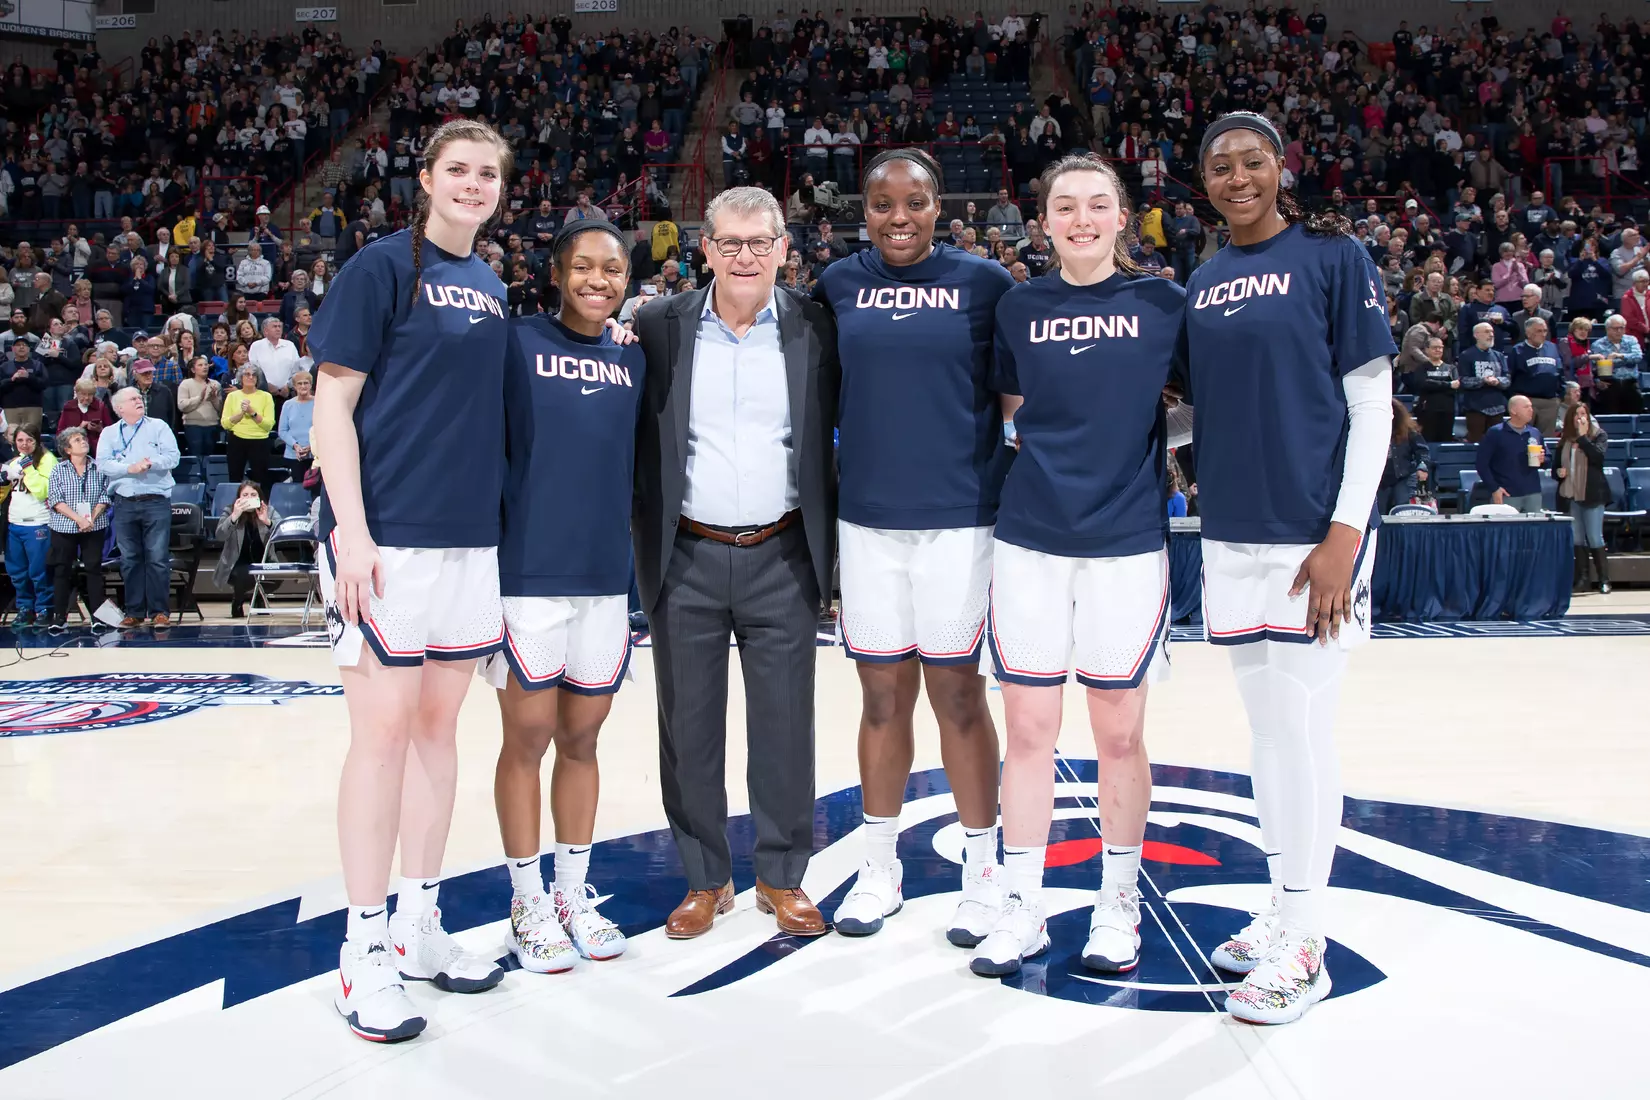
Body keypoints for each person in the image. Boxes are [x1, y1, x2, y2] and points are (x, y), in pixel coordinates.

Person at [1177, 113, 1396, 1025]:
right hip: (1230, 532)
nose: (1237, 178)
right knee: (1267, 731)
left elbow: (1373, 406)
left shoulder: (1335, 259)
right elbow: (1198, 416)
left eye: (1252, 162)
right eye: (1220, 167)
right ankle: (1283, 903)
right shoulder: (1202, 281)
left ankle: (1305, 941)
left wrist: (1345, 533)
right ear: (1204, 182)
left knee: (1304, 726)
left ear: (1281, 167)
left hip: (1317, 539)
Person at [310, 119, 512, 1044]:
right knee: (382, 737)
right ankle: (361, 952)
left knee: (438, 731)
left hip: (469, 544)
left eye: (487, 174)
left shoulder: (493, 284)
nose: (473, 185)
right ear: (426, 179)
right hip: (386, 538)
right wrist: (352, 534)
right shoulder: (383, 267)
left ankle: (421, 926)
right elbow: (332, 409)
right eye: (458, 170)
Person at [968, 153, 1189, 978]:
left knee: (1119, 733)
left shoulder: (1164, 302)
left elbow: (1205, 402)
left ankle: (1117, 902)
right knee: (1027, 731)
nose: (1083, 218)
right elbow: (1018, 414)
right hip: (1029, 538)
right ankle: (1022, 907)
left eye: (1099, 204)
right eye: (1066, 205)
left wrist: (1140, 452)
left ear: (1122, 216)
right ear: (1045, 219)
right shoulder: (1021, 306)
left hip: (1127, 545)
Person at [809, 149, 1013, 944]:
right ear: (864, 210)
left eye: (916, 203)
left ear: (939, 209)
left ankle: (983, 871)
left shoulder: (985, 285)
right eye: (884, 203)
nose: (899, 217)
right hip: (866, 524)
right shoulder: (837, 285)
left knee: (959, 695)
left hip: (962, 520)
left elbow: (1023, 397)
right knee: (881, 697)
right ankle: (878, 865)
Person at [632, 187, 841, 941]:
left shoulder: (819, 326)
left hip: (783, 551)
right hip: (685, 552)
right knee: (687, 727)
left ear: (785, 248)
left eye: (760, 243)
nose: (745, 256)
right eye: (730, 243)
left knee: (785, 726)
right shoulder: (658, 325)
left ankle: (781, 878)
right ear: (706, 250)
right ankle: (704, 879)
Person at [483, 221, 645, 974]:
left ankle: (574, 894)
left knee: (583, 740)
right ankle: (527, 902)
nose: (596, 280)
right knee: (529, 739)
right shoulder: (515, 344)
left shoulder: (633, 357)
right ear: (555, 271)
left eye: (611, 269)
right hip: (529, 576)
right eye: (582, 266)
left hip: (606, 577)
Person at [96, 386, 179, 627]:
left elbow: (173, 458)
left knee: (157, 558)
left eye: (139, 397)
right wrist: (128, 469)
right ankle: (133, 611)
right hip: (124, 503)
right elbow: (103, 464)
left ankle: (159, 612)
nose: (139, 400)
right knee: (130, 559)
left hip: (155, 501)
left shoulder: (158, 426)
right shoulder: (110, 433)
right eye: (133, 399)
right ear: (120, 408)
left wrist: (149, 464)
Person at [44, 425, 110, 627]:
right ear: (67, 449)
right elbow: (56, 500)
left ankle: (98, 618)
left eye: (83, 438)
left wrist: (90, 518)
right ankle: (59, 618)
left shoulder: (99, 467)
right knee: (62, 570)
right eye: (76, 440)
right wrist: (79, 519)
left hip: (94, 526)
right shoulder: (58, 469)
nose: (83, 441)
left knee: (93, 569)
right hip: (64, 527)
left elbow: (105, 495)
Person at [1552, 402, 1611, 594]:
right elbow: (1554, 470)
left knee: (1594, 536)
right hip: (1571, 495)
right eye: (1576, 414)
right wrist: (1558, 473)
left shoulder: (1598, 435)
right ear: (1571, 418)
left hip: (1593, 494)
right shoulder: (1564, 440)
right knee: (1577, 539)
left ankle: (1604, 580)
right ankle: (1583, 579)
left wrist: (1584, 437)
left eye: (1583, 413)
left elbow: (1597, 458)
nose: (1580, 417)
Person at [4, 425, 58, 624]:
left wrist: (28, 467)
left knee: (39, 571)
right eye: (20, 441)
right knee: (17, 572)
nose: (24, 445)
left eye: (29, 440)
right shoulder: (13, 463)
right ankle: (25, 608)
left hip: (38, 523)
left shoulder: (47, 460)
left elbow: (43, 491)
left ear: (37, 441)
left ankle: (44, 609)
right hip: (15, 523)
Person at [213, 479, 275, 617]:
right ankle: (238, 601)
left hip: (264, 561)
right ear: (238, 498)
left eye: (253, 495)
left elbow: (283, 532)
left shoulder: (268, 511)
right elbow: (220, 535)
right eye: (245, 495)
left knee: (270, 573)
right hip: (236, 564)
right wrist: (234, 516)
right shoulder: (230, 511)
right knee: (242, 573)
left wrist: (267, 521)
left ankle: (259, 597)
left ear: (259, 497)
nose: (249, 498)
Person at [1474, 395, 1546, 513]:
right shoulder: (1496, 433)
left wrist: (1543, 459)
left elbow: (1548, 459)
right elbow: (1481, 464)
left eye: (1531, 407)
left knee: (1533, 530)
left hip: (1533, 493)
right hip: (1507, 494)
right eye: (1526, 407)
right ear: (1513, 410)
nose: (1531, 410)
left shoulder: (1535, 432)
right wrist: (1494, 488)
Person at [1506, 316, 1565, 435]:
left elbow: (1560, 372)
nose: (1543, 334)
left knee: (1547, 440)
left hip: (1550, 402)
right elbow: (1509, 376)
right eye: (1539, 331)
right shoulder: (1517, 350)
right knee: (1524, 437)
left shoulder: (1552, 347)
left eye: (1545, 331)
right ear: (1528, 333)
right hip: (1527, 401)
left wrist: (1560, 395)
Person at [219, 365, 274, 491]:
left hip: (260, 441)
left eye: (254, 375)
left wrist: (252, 412)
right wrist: (240, 415)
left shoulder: (266, 396)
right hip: (237, 440)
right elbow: (225, 423)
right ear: (241, 378)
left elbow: (268, 425)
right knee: (235, 477)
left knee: (260, 479)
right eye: (247, 374)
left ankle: (260, 506)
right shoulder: (232, 396)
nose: (251, 377)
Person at [1458, 321, 1510, 441]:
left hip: (1497, 407)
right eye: (1487, 332)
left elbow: (1507, 379)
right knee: (1476, 443)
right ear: (1476, 335)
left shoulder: (1499, 356)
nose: (1491, 334)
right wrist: (1483, 381)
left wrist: (1497, 381)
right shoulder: (1466, 355)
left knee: (1497, 443)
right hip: (1476, 408)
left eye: (1492, 332)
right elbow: (1463, 381)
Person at [1379, 400, 1430, 513]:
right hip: (1379, 479)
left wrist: (1422, 467)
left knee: (1402, 510)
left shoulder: (1408, 431)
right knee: (1379, 512)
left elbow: (1422, 451)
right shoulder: (1372, 431)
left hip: (1403, 477)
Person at [177, 356, 223, 476]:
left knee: (209, 458)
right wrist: (199, 398)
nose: (204, 367)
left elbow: (220, 409)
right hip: (193, 426)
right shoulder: (186, 384)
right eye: (200, 365)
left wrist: (213, 399)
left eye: (206, 365)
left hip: (212, 426)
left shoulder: (215, 384)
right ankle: (196, 481)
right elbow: (182, 406)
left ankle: (209, 483)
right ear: (193, 369)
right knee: (196, 457)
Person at [1590, 314, 1644, 415]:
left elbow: (1638, 357)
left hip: (1630, 383)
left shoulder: (1631, 340)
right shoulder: (1598, 345)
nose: (1619, 331)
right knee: (1610, 415)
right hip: (1610, 385)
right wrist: (1597, 382)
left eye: (1622, 328)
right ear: (1607, 329)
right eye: (1615, 328)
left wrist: (1619, 356)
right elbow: (1593, 367)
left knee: (1636, 414)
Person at [1410, 334, 1459, 443]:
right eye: (1434, 347)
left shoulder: (1451, 368)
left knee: (1446, 440)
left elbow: (1456, 385)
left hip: (1447, 411)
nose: (1438, 350)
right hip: (1427, 411)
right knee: (1427, 440)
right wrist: (1447, 385)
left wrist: (1435, 385)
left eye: (1440, 347)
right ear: (1426, 350)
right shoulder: (1421, 368)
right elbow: (1423, 384)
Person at [2, 337, 46, 439]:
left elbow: (44, 384)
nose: (21, 347)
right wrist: (12, 379)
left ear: (29, 349)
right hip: (11, 408)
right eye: (18, 345)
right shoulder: (4, 367)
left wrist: (28, 377)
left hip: (33, 407)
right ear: (12, 349)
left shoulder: (38, 365)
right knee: (12, 438)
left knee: (32, 437)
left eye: (24, 345)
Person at [277, 370, 315, 482]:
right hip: (294, 454)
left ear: (310, 385)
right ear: (294, 386)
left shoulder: (319, 402)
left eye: (306, 383)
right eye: (299, 383)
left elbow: (324, 429)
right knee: (297, 487)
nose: (303, 386)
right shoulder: (288, 405)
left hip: (315, 455)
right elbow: (283, 430)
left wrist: (310, 447)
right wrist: (295, 445)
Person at [56, 378, 113, 451]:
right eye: (83, 394)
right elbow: (60, 434)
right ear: (77, 393)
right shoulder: (69, 407)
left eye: (90, 395)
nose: (86, 398)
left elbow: (111, 433)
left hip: (97, 449)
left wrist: (99, 429)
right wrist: (79, 428)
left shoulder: (101, 407)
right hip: (74, 449)